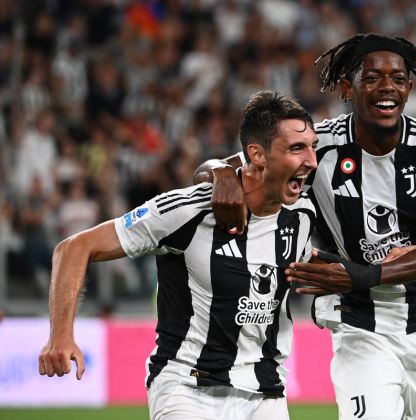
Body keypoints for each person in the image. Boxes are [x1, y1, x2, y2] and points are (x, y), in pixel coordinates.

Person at [195, 33, 416, 420]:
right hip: (358, 324)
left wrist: (359, 274)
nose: (387, 88)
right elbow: (216, 168)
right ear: (346, 87)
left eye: (398, 79)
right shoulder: (317, 146)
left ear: (410, 87)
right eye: (372, 78)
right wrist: (221, 172)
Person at [38, 91, 319, 420]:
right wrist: (60, 334)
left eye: (312, 146)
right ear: (257, 154)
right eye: (298, 148)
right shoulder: (188, 211)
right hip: (187, 389)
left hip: (265, 393)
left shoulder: (301, 215)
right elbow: (74, 247)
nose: (312, 160)